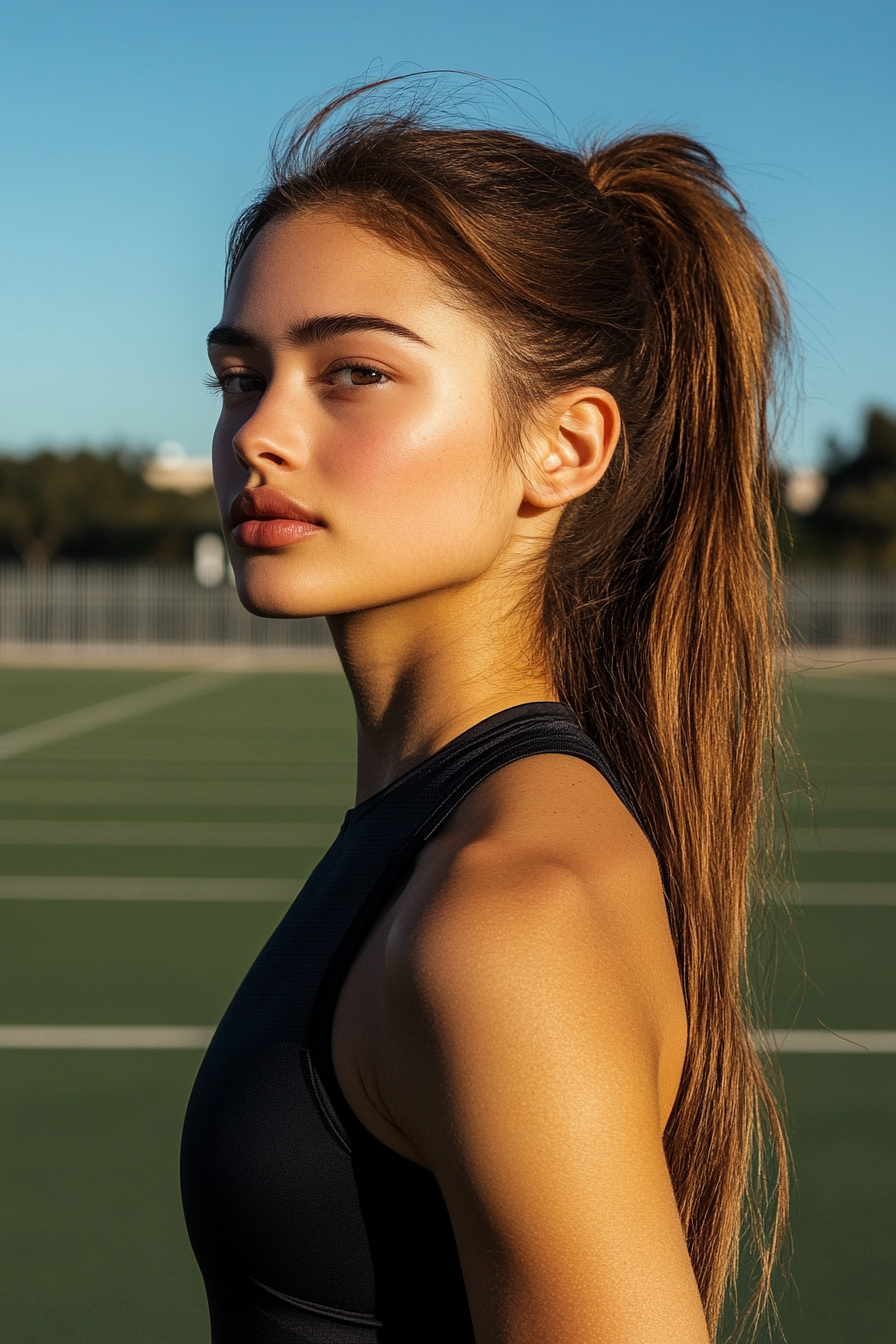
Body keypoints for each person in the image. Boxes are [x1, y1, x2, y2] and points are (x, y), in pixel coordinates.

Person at [180, 80, 789, 1344]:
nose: (258, 436)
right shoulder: (435, 832)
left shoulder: (507, 910)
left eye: (353, 373)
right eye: (241, 376)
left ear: (564, 447)